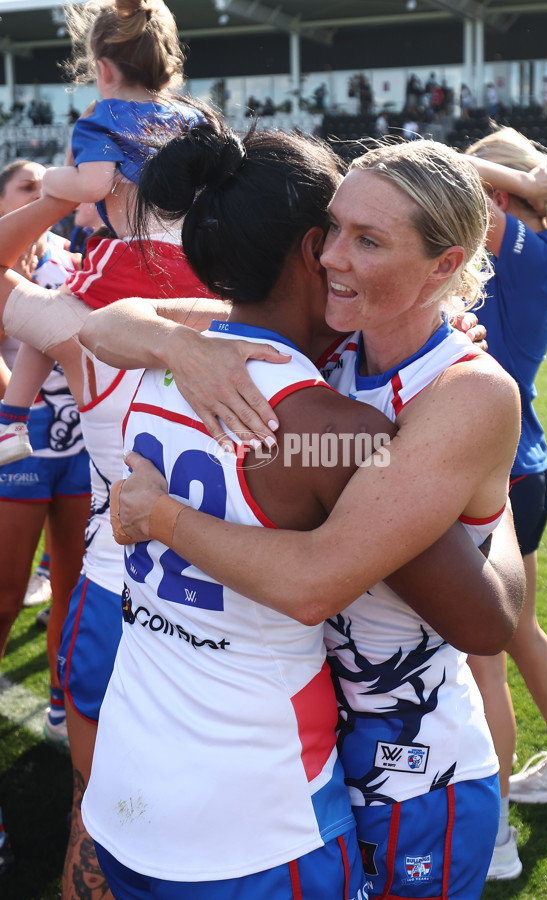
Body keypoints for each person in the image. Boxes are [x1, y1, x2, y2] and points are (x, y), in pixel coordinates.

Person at [94, 134, 526, 900]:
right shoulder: (331, 348)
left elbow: (481, 621)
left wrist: (490, 504)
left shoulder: (460, 389)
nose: (332, 256)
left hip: (410, 767)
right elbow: (104, 321)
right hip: (312, 760)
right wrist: (180, 346)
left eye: (366, 240)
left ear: (445, 266)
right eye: (332, 231)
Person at [0, 1, 225, 895]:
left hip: (118, 579)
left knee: (97, 812)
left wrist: (53, 196)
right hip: (233, 597)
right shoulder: (262, 317)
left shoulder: (83, 316)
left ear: (100, 69)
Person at [464, 127, 547, 880]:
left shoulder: (519, 244)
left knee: (481, 658)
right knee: (518, 631)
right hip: (525, 466)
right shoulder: (545, 247)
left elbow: (441, 169)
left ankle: (493, 843)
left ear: (502, 193)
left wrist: (518, 181)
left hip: (496, 470)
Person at [0, 0, 206, 467]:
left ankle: (11, 419)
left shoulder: (105, 116)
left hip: (136, 264)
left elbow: (93, 185)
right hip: (198, 269)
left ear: (104, 68)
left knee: (53, 309)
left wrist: (53, 180)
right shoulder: (196, 120)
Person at [0, 159, 90, 750]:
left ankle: (60, 702)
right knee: (7, 594)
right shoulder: (5, 259)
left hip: (80, 446)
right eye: (26, 187)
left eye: (44, 184)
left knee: (70, 587)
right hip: (21, 447)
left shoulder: (76, 257)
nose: (40, 193)